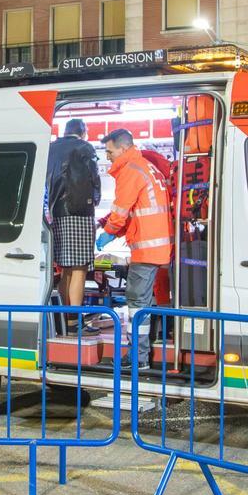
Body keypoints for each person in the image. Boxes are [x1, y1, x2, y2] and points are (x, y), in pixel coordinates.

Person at [96, 129, 171, 371]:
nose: (108, 156)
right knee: (145, 304)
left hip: (146, 249)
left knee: (136, 304)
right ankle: (141, 354)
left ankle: (138, 358)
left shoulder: (130, 170)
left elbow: (120, 212)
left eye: (109, 151)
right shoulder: (145, 166)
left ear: (123, 148)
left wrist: (108, 231)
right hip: (156, 246)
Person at [46, 118, 101, 335]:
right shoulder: (84, 148)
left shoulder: (51, 148)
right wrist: (95, 200)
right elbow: (94, 180)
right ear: (83, 132)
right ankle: (75, 321)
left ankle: (63, 319)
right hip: (79, 213)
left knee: (65, 271)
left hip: (56, 213)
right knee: (79, 269)